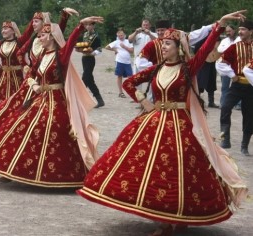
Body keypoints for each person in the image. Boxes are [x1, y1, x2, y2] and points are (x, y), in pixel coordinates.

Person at [77, 11, 248, 236]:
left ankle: (178, 216)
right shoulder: (157, 68)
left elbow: (205, 49)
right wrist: (144, 102)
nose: (163, 46)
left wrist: (219, 25)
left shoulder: (188, 68)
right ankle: (164, 219)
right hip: (155, 120)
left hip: (180, 125)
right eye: (162, 43)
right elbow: (129, 83)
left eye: (167, 43)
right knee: (151, 170)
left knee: (178, 171)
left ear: (178, 47)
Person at [0, 16, 103, 187]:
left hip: (57, 102)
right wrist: (34, 84)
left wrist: (80, 26)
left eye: (43, 36)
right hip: (40, 99)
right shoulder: (43, 55)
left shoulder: (61, 56)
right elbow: (30, 74)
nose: (40, 38)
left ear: (51, 37)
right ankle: (10, 169)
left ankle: (68, 174)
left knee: (54, 129)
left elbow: (71, 42)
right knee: (17, 126)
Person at [0, 9, 78, 139]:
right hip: (32, 79)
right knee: (13, 106)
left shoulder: (48, 36)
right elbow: (20, 52)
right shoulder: (34, 38)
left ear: (44, 23)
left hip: (47, 81)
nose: (33, 24)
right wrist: (25, 66)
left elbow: (59, 30)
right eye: (32, 21)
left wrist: (64, 16)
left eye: (36, 21)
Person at [216, 19, 253, 156]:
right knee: (225, 107)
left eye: (243, 29)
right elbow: (220, 62)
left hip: (251, 88)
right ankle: (225, 139)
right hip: (237, 85)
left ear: (251, 32)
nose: (240, 32)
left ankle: (244, 145)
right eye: (240, 29)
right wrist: (232, 75)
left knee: (249, 116)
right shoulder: (235, 47)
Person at [76, 22, 105, 108]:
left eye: (90, 25)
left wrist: (93, 53)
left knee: (85, 78)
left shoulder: (96, 36)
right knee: (89, 80)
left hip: (90, 58)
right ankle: (100, 100)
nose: (88, 26)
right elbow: (81, 44)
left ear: (93, 26)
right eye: (87, 25)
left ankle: (78, 99)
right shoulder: (85, 34)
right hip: (84, 58)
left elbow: (99, 48)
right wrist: (79, 49)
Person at [193, 34, 221, 108]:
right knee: (200, 82)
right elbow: (196, 49)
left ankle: (211, 102)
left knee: (211, 82)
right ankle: (196, 101)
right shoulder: (203, 37)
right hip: (203, 63)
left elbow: (218, 48)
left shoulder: (217, 37)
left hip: (212, 61)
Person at [105, 29, 133, 98]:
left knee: (130, 77)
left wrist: (124, 47)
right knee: (119, 76)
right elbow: (107, 47)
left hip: (128, 62)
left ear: (124, 35)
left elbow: (132, 51)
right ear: (117, 36)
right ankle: (120, 92)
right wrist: (114, 49)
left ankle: (131, 92)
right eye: (119, 36)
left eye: (122, 35)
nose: (121, 37)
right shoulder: (116, 42)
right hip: (119, 61)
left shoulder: (128, 41)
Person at [217, 25, 238, 107]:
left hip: (236, 66)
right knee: (225, 87)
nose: (228, 33)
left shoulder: (239, 39)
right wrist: (232, 48)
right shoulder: (225, 40)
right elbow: (219, 49)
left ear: (234, 30)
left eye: (229, 31)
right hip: (225, 67)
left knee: (237, 86)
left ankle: (237, 104)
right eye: (227, 31)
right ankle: (224, 103)